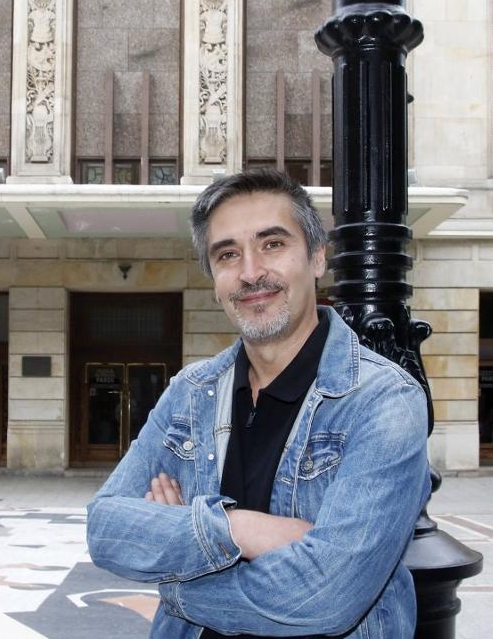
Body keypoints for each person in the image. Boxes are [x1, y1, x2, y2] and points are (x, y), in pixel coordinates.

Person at [86, 169, 430, 638]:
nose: (250, 273)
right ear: (214, 280)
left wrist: (177, 576)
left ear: (317, 257)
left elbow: (326, 598)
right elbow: (106, 529)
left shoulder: (383, 400)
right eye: (227, 254)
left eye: (272, 244)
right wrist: (239, 528)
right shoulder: (191, 392)